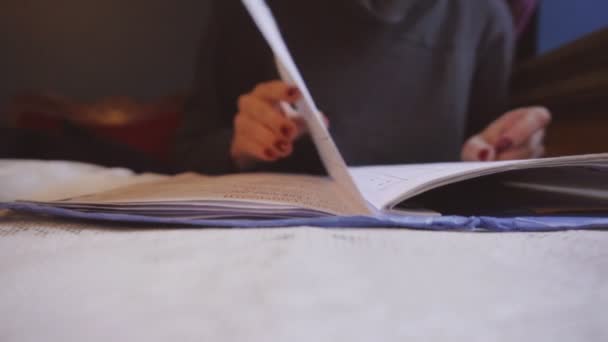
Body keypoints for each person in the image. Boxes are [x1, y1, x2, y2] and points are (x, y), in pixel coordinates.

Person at [175, 0, 551, 175]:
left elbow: (484, 160)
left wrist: (504, 150)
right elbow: (188, 152)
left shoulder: (485, 17)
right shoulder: (247, 9)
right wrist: (241, 147)